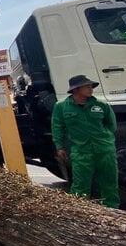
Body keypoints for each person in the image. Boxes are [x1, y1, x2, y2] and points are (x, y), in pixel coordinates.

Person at [51, 74, 119, 208]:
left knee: (109, 182)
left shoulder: (101, 105)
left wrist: (106, 141)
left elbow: (111, 125)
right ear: (76, 90)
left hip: (104, 151)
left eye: (90, 86)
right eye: (86, 86)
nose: (90, 88)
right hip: (81, 152)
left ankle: (112, 210)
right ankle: (79, 212)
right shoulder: (62, 106)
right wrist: (59, 147)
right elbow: (57, 127)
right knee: (80, 185)